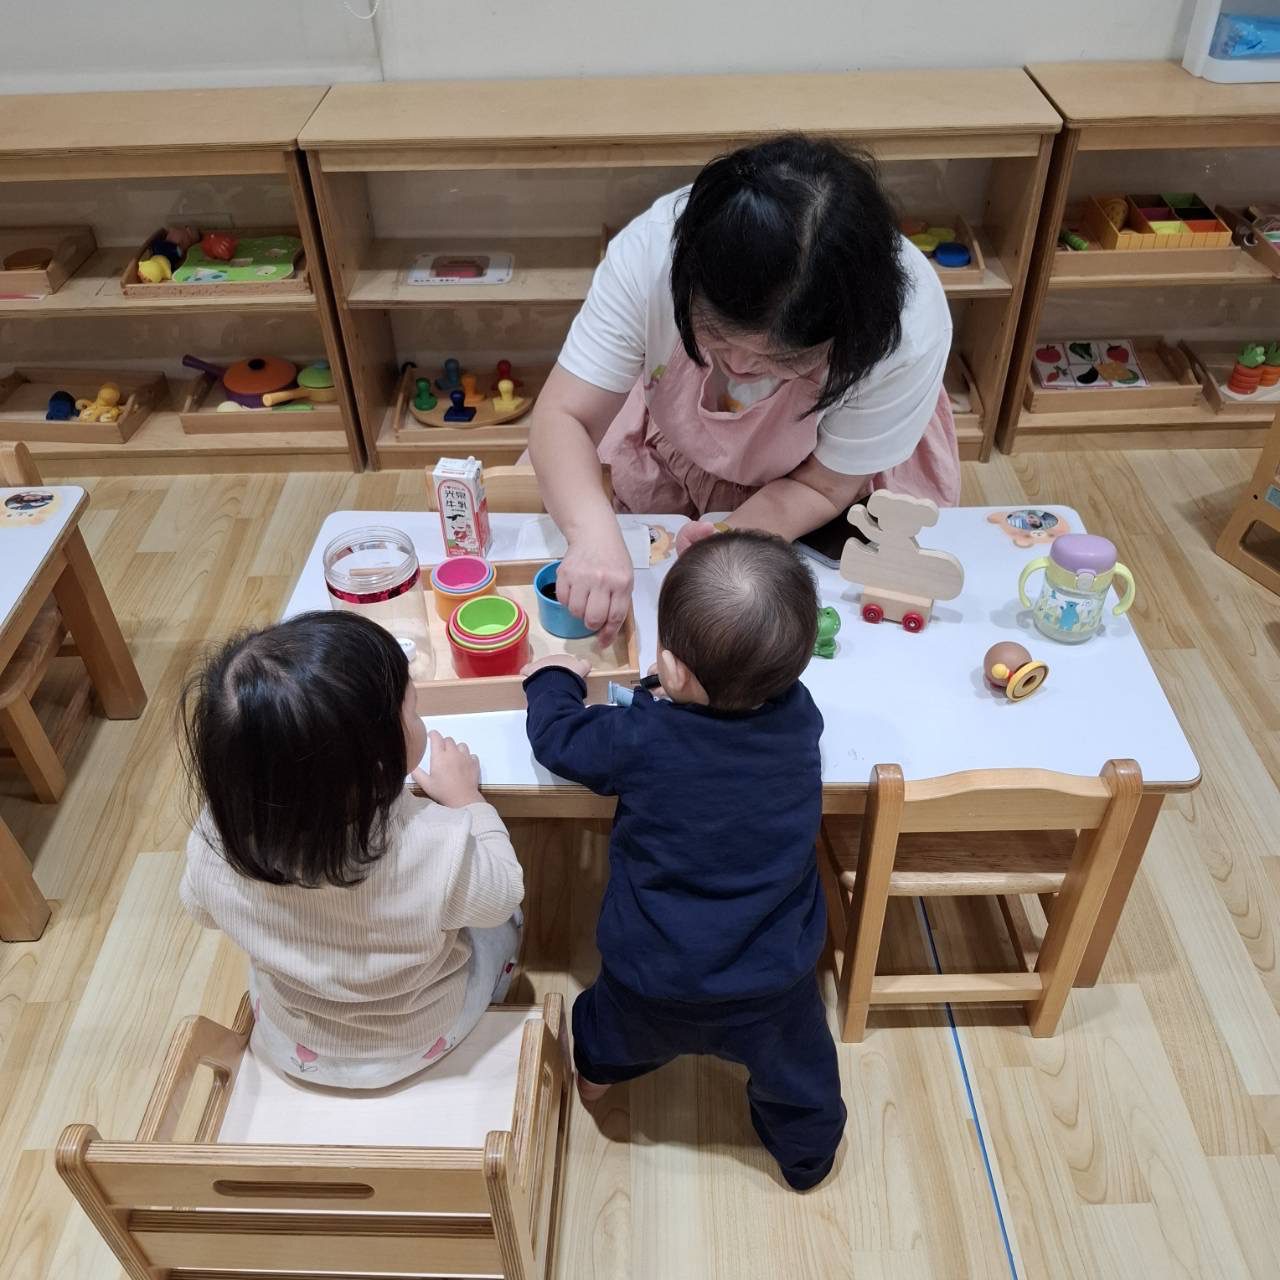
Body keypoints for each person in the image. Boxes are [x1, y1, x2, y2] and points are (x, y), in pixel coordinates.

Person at [528, 133, 957, 641]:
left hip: (824, 484)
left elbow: (823, 486)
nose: (739, 367)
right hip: (676, 443)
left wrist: (732, 536)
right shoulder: (650, 256)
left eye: (785, 359)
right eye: (715, 334)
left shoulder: (906, 332)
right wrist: (592, 535)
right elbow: (565, 416)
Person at [521, 531, 846, 1191]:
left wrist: (552, 679)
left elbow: (559, 739)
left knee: (607, 1032)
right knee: (803, 1080)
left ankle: (595, 1080)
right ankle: (807, 1160)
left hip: (651, 975)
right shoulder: (799, 720)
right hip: (774, 982)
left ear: (671, 671)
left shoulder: (642, 737)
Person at [179, 611, 524, 1089]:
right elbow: (504, 892)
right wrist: (469, 802)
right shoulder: (435, 847)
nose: (417, 717)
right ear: (378, 763)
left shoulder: (214, 841)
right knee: (504, 922)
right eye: (412, 710)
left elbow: (200, 909)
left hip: (294, 1042)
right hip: (420, 1037)